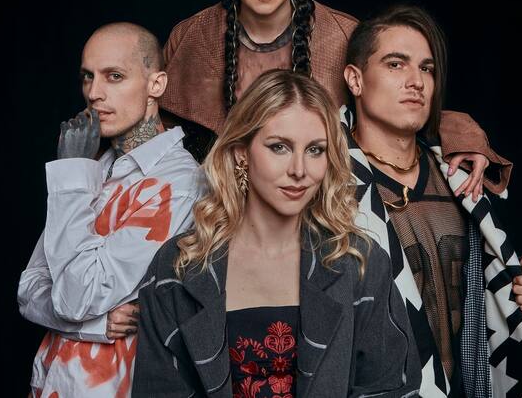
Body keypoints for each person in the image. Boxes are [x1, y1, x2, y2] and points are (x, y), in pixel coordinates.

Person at [159, 0, 510, 205]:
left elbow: (395, 101)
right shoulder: (190, 37)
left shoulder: (342, 35)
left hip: (317, 216)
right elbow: (156, 136)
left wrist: (461, 134)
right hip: (211, 213)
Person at [133, 70, 421, 397]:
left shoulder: (359, 262)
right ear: (241, 152)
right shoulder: (178, 267)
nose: (299, 170)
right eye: (279, 147)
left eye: (315, 150)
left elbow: (392, 388)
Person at [341, 5, 522, 397]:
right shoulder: (325, 184)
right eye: (395, 64)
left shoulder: (464, 179)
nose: (416, 82)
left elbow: (502, 278)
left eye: (426, 68)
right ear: (355, 80)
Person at [18, 22, 205, 397]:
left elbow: (76, 297)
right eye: (88, 77)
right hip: (54, 383)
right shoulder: (96, 167)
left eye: (114, 76)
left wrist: (72, 171)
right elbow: (29, 289)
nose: (94, 93)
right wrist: (92, 325)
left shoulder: (178, 182)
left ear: (156, 84)